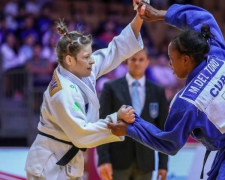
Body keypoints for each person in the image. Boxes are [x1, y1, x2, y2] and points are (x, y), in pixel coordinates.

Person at [107, 3, 225, 180]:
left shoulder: (187, 101)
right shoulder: (218, 54)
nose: (169, 64)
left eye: (172, 59)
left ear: (186, 59)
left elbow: (169, 143)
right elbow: (204, 19)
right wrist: (161, 14)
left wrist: (131, 127)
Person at [24, 2, 146, 179]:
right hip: (48, 167)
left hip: (66, 160)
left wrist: (139, 17)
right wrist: (115, 118)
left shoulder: (81, 72)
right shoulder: (63, 92)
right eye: (87, 57)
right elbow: (81, 135)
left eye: (91, 55)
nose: (92, 61)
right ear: (69, 60)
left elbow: (116, 50)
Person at [96, 48, 169, 180]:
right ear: (126, 62)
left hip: (146, 161)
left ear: (147, 62)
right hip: (117, 161)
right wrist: (103, 159)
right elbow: (103, 124)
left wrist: (163, 164)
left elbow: (162, 130)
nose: (137, 63)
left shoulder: (157, 91)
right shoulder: (111, 88)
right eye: (133, 59)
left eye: (141, 60)